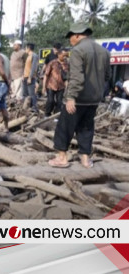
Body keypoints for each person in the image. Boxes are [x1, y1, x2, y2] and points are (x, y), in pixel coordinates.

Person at [49, 22, 111, 169]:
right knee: (86, 128)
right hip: (94, 98)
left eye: (70, 37)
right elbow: (107, 76)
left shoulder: (78, 50)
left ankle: (62, 157)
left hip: (78, 98)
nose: (70, 40)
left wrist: (71, 97)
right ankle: (85, 159)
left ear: (77, 35)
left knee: (64, 127)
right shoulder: (104, 51)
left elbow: (77, 78)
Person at [42, 48, 69, 116]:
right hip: (51, 85)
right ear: (59, 55)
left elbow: (67, 77)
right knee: (51, 100)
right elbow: (46, 75)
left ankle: (56, 115)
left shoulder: (67, 64)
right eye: (64, 55)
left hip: (61, 86)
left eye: (66, 55)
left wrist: (67, 87)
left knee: (59, 102)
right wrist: (43, 87)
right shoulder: (52, 63)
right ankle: (47, 114)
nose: (65, 57)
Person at [23, 43, 40, 112]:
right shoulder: (28, 56)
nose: (25, 50)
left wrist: (30, 77)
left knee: (32, 93)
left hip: (30, 77)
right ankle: (27, 107)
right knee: (25, 93)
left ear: (28, 48)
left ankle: (34, 108)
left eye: (26, 48)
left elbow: (33, 68)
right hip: (25, 77)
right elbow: (27, 67)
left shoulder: (34, 56)